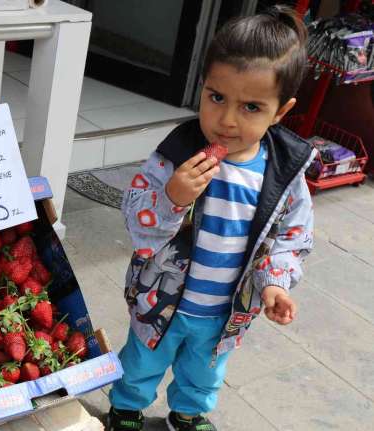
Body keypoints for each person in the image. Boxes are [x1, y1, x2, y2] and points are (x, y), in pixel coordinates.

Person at [106, 6, 315, 431]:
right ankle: (126, 407)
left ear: (280, 111)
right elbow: (135, 217)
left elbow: (293, 236)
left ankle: (188, 413)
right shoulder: (176, 155)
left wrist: (274, 282)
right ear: (202, 88)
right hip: (161, 299)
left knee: (205, 371)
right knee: (142, 359)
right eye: (216, 97)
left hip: (225, 310)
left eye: (251, 107)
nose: (226, 120)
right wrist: (171, 197)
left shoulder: (283, 175)